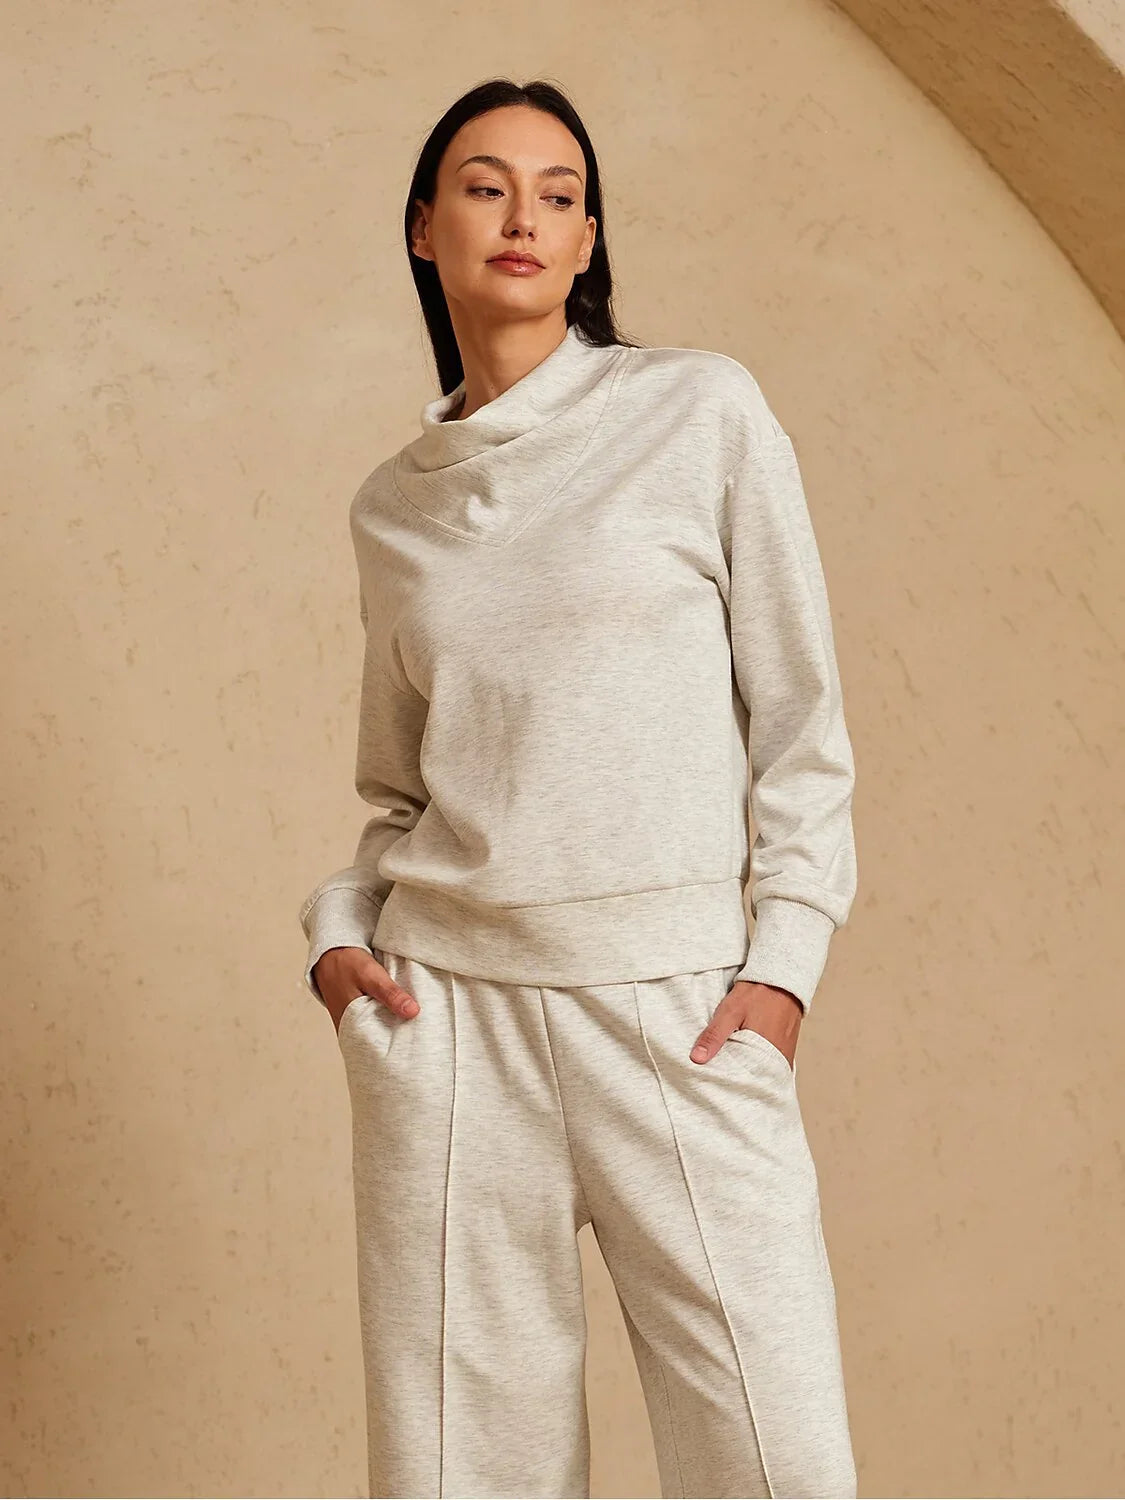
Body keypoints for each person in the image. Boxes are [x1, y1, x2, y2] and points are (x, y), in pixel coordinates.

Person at [298, 76, 859, 1500]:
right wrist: (340, 938)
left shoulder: (698, 412)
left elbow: (799, 716)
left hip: (677, 1009)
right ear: (423, 227)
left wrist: (783, 965)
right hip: (449, 1025)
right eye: (485, 187)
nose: (522, 218)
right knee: (461, 1478)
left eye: (558, 196)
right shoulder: (395, 506)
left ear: (588, 239)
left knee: (777, 1461)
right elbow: (400, 790)